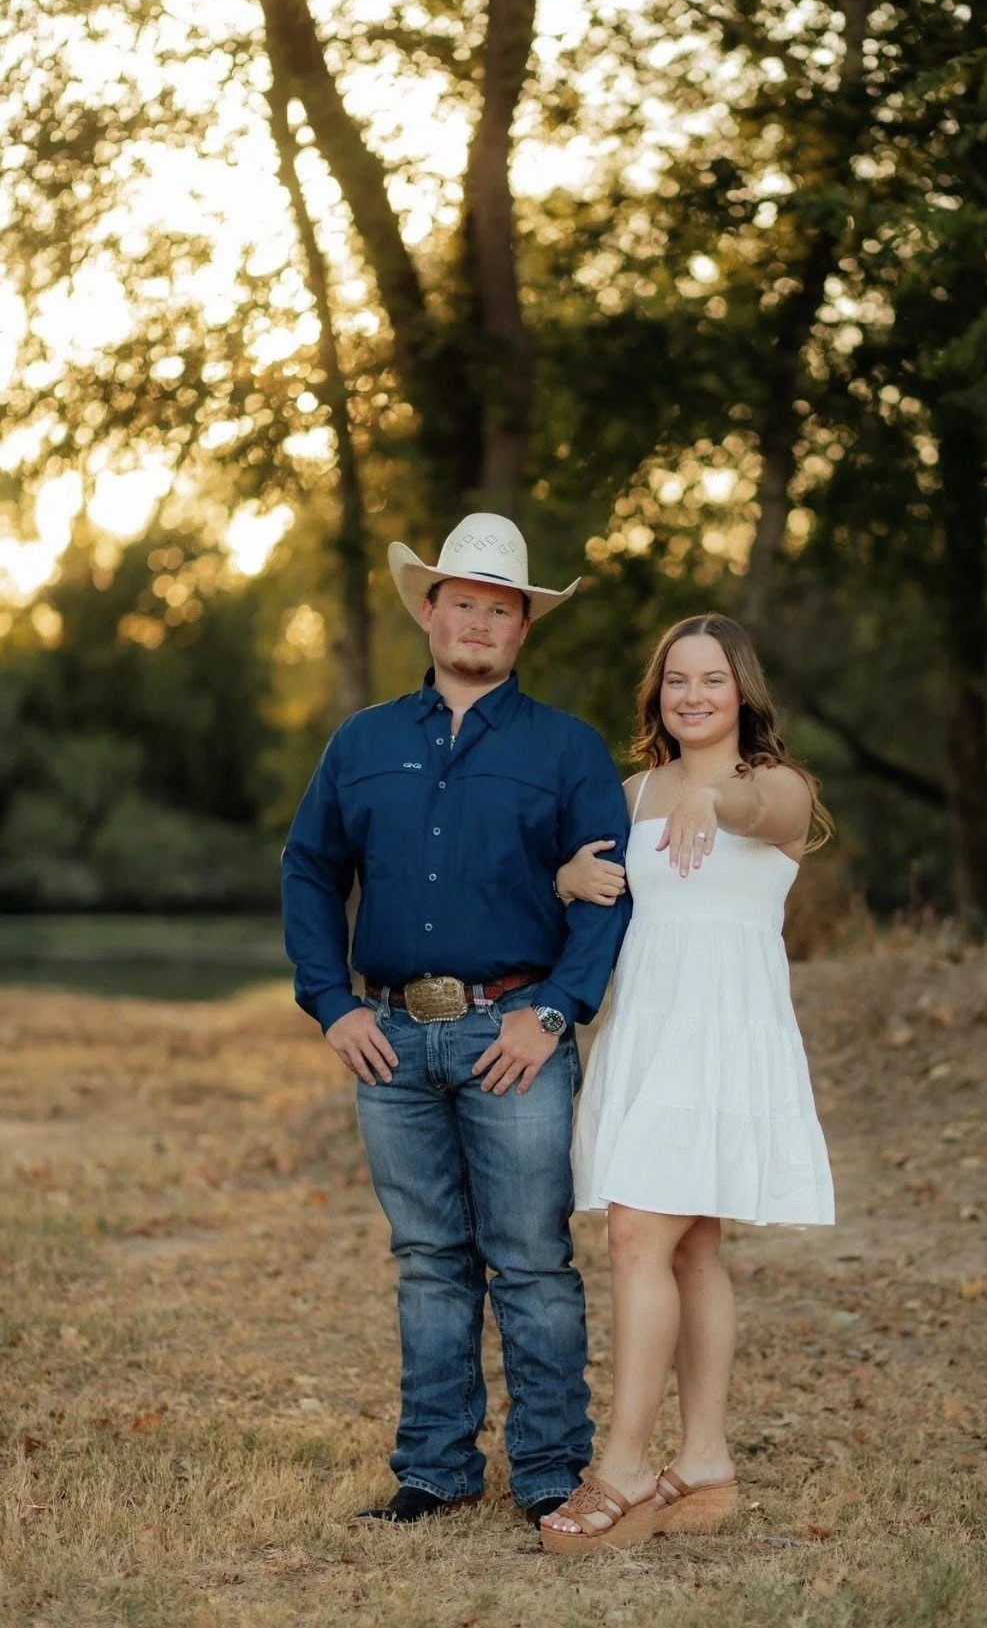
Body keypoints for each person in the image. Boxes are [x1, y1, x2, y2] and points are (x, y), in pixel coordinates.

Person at [281, 513, 631, 1529]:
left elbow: (612, 891)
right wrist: (330, 1002)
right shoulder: (363, 742)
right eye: (463, 603)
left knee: (530, 1259)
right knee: (429, 1259)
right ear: (430, 612)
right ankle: (436, 1468)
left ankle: (550, 1470)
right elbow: (309, 870)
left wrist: (554, 1012)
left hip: (513, 1032)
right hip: (390, 1038)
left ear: (522, 629)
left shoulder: (567, 749)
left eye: (501, 610)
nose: (479, 622)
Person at [538, 613, 835, 1552]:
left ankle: (625, 1466)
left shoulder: (779, 785)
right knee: (692, 1247)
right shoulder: (632, 793)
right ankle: (704, 1459)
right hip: (650, 1031)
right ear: (657, 694)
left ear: (742, 691)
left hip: (724, 1037)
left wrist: (719, 800)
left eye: (711, 679)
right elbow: (602, 892)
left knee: (637, 1234)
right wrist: (568, 878)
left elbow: (763, 816)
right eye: (676, 680)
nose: (693, 695)